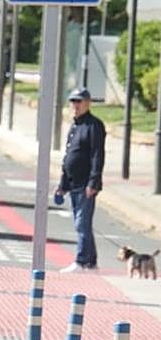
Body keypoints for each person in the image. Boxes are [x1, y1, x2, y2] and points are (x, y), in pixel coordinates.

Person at [55, 88, 105, 273]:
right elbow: (69, 155)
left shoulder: (94, 125)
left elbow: (97, 155)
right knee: (82, 223)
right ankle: (91, 262)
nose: (75, 105)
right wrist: (62, 185)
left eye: (79, 101)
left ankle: (82, 260)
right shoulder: (75, 125)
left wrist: (94, 181)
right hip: (73, 182)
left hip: (86, 183)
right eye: (73, 101)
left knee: (81, 223)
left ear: (88, 103)